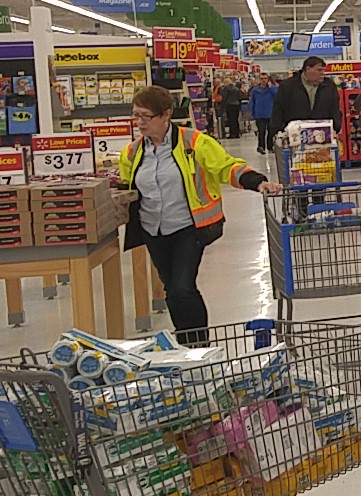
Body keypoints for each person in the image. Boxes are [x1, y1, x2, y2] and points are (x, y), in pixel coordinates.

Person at [119, 85, 282, 346]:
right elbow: (127, 186)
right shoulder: (132, 152)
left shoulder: (194, 142)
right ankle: (185, 344)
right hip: (153, 230)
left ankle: (199, 345)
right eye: (136, 115)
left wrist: (257, 181)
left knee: (182, 287)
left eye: (146, 116)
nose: (139, 122)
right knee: (172, 290)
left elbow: (226, 167)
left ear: (166, 115)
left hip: (188, 227)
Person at [271, 56, 343, 138]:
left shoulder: (329, 85)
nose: (322, 73)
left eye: (323, 70)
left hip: (322, 135)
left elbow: (335, 108)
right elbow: (278, 110)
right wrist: (278, 131)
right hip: (294, 136)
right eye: (319, 70)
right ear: (308, 69)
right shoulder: (288, 86)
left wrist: (336, 127)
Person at [249, 77, 275, 154]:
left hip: (270, 113)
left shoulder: (272, 89)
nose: (264, 80)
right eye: (262, 78)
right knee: (261, 131)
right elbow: (252, 102)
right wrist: (253, 113)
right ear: (259, 80)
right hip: (259, 114)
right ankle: (261, 147)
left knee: (271, 131)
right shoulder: (255, 90)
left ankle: (270, 147)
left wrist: (271, 88)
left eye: (265, 78)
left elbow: (277, 96)